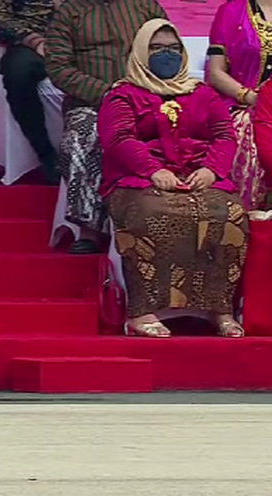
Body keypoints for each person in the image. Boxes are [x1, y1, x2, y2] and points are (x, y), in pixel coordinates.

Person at [99, 19, 247, 338]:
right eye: (156, 48)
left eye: (173, 48)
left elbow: (224, 134)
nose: (166, 54)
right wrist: (154, 170)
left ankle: (219, 309)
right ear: (140, 52)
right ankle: (144, 312)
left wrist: (210, 170)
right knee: (155, 214)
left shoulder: (201, 93)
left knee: (229, 214)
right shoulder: (123, 95)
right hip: (139, 180)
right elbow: (119, 139)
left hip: (199, 178)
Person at [46, 0, 167, 254]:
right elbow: (58, 68)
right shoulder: (69, 12)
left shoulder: (144, 6)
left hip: (145, 98)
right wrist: (107, 92)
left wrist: (145, 89)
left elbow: (168, 48)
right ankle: (90, 230)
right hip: (91, 102)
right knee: (81, 136)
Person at [0, 0, 59, 184]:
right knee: (17, 71)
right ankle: (46, 154)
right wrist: (34, 41)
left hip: (85, 40)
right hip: (33, 42)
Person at [207, 0, 272, 210]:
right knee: (251, 146)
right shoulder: (231, 12)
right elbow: (215, 73)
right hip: (245, 106)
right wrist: (251, 97)